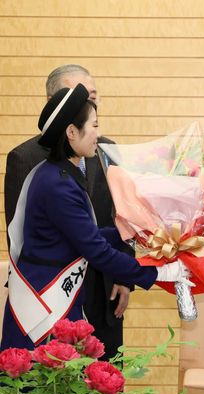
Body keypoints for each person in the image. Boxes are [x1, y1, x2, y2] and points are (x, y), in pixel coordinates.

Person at [1, 83, 187, 351]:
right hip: (43, 306)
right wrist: (160, 273)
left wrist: (134, 232)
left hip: (57, 298)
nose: (99, 135)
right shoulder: (58, 184)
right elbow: (96, 250)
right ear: (72, 132)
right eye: (95, 126)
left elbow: (85, 235)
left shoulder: (57, 173)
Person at [4, 64, 132, 359]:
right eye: (80, 95)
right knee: (54, 388)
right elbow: (20, 234)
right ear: (54, 101)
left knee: (105, 383)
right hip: (51, 295)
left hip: (105, 288)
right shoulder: (26, 158)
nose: (90, 103)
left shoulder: (110, 150)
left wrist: (126, 277)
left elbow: (123, 217)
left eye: (94, 95)